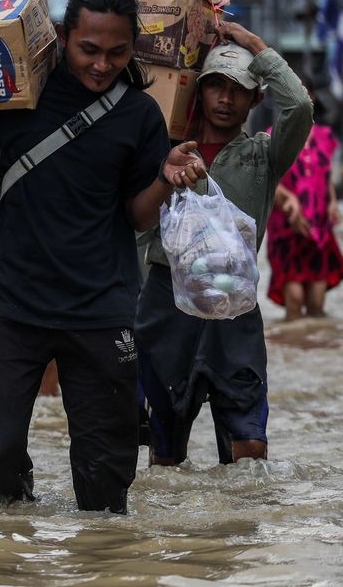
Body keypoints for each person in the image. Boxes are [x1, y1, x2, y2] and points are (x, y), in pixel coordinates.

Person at [0, 0, 205, 513]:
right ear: (60, 35)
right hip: (14, 305)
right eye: (89, 50)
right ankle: (17, 549)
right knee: (0, 451)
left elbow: (135, 214)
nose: (102, 65)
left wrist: (164, 181)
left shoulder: (141, 115)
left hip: (102, 309)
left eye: (117, 52)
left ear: (132, 47)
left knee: (105, 484)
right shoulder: (13, 94)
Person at [137, 25, 312, 467]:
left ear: (256, 100)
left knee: (249, 448)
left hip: (235, 308)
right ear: (199, 91)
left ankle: (238, 535)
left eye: (239, 90)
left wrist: (257, 47)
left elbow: (300, 106)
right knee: (166, 453)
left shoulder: (263, 156)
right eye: (215, 85)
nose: (225, 99)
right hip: (166, 302)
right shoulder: (166, 151)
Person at [265, 84, 343, 321]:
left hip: (319, 226)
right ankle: (292, 349)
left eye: (304, 93)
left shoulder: (325, 136)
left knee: (317, 303)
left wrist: (331, 202)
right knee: (296, 300)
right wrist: (288, 204)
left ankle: (311, 350)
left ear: (313, 97)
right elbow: (268, 179)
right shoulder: (272, 136)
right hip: (286, 228)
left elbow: (325, 174)